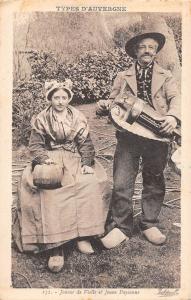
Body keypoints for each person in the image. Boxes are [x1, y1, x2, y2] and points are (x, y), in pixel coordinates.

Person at [13, 80, 107, 273]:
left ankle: (83, 235)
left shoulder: (77, 116)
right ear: (50, 98)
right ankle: (56, 246)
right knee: (49, 190)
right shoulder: (42, 118)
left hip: (74, 157)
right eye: (56, 97)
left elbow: (86, 144)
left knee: (88, 183)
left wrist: (86, 163)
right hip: (50, 160)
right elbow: (35, 145)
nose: (60, 101)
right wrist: (44, 160)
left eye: (64, 97)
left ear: (69, 98)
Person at [97, 32, 180, 249]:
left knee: (154, 179)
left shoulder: (166, 75)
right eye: (142, 47)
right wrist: (104, 105)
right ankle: (121, 227)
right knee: (122, 180)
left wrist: (172, 117)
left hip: (157, 135)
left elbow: (176, 99)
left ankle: (149, 223)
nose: (147, 51)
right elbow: (113, 100)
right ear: (135, 51)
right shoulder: (122, 76)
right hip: (128, 135)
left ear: (156, 51)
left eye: (151, 47)